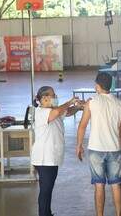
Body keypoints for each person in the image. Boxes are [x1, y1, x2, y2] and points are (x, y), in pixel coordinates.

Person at [76, 72, 121, 216]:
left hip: (96, 149)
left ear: (98, 86)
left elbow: (82, 126)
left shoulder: (91, 102)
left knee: (99, 186)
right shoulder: (120, 104)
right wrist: (119, 146)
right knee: (116, 185)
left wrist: (79, 145)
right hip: (114, 149)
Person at [31, 86, 83, 216]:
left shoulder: (53, 109)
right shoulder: (41, 112)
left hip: (52, 157)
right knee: (45, 190)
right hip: (44, 158)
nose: (55, 97)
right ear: (44, 99)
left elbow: (67, 112)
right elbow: (58, 112)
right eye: (53, 95)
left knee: (48, 189)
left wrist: (79, 106)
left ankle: (47, 213)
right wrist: (69, 102)